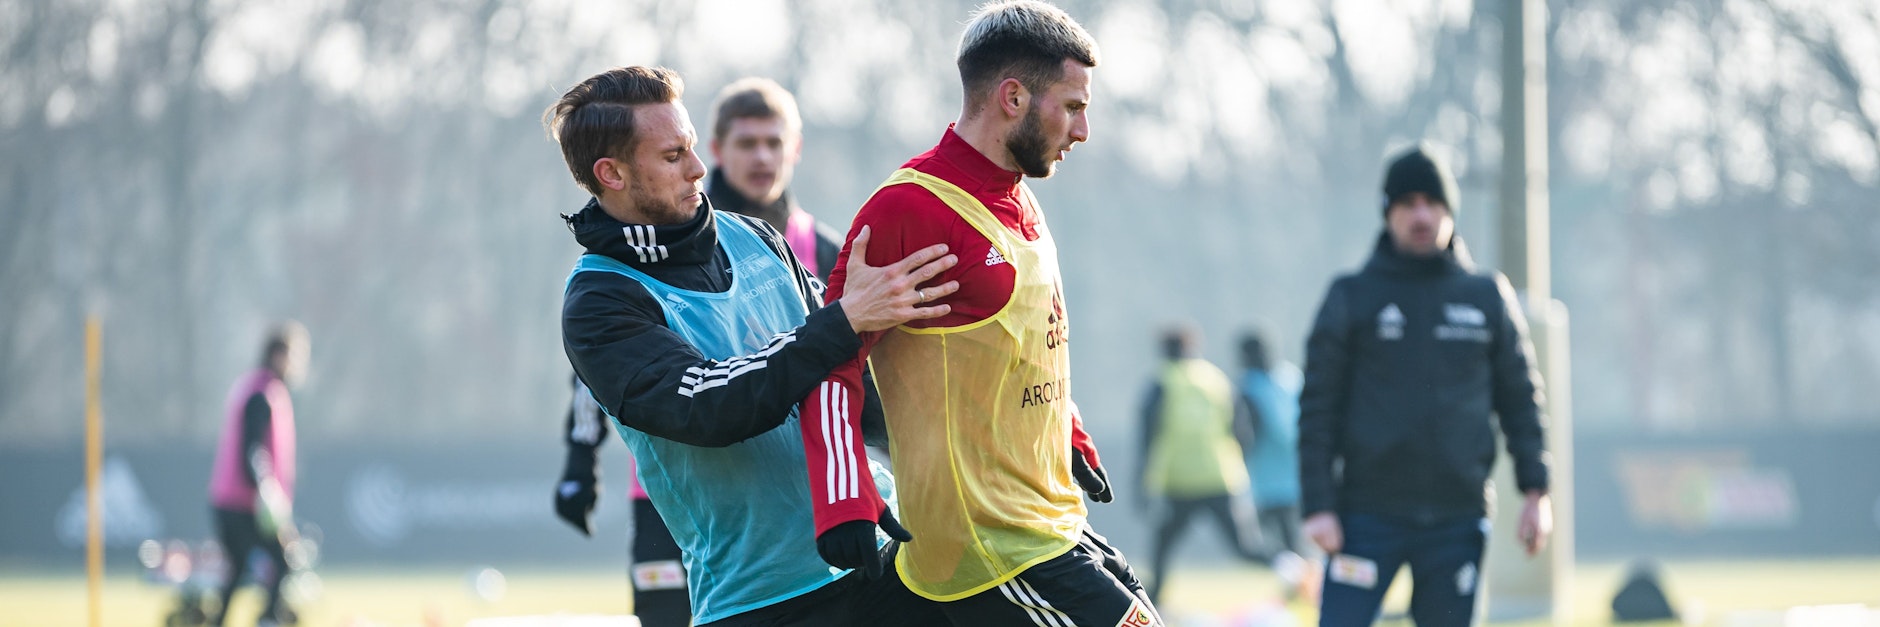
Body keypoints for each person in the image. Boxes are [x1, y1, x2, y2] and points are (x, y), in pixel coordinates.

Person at [549, 65, 958, 626]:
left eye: (692, 148)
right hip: (761, 600)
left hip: (880, 552)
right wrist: (841, 322)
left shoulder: (758, 238)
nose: (699, 168)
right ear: (611, 173)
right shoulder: (599, 299)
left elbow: (858, 375)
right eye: (673, 157)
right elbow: (710, 406)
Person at [797, 3, 1163, 625]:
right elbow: (831, 357)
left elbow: (1019, 343)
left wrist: (1065, 429)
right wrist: (842, 497)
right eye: (1073, 107)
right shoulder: (908, 210)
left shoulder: (1019, 196)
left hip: (1051, 524)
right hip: (993, 552)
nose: (1083, 130)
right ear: (1014, 97)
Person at [1298, 145, 1552, 626]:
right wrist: (1318, 506)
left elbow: (1521, 399)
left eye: (1432, 203)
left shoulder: (1485, 297)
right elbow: (1317, 407)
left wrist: (1537, 492)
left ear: (1449, 211)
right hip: (1366, 517)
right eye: (1407, 203)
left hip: (1457, 517)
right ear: (1387, 213)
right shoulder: (1351, 296)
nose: (1421, 215)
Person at [1137, 325, 1266, 605]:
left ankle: (1152, 604)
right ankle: (1296, 569)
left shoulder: (1161, 381)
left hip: (1180, 480)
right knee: (1246, 548)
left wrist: (1142, 484)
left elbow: (1147, 436)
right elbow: (1242, 431)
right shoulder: (1216, 380)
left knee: (1162, 545)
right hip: (1221, 477)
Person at [553, 376, 689, 627]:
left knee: (748, 610)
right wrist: (580, 459)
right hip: (658, 493)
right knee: (662, 613)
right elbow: (590, 361)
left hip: (745, 486)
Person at [205, 321, 309, 626]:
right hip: (245, 502)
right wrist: (267, 492)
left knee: (237, 570)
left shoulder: (252, 386)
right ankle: (267, 619)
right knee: (284, 561)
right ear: (278, 355)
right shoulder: (262, 394)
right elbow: (253, 449)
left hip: (228, 500)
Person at [705, 77, 843, 283]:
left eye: (774, 143)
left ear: (795, 148)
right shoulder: (688, 241)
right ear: (717, 151)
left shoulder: (827, 252)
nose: (762, 157)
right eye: (747, 144)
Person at [1237, 329, 1305, 558]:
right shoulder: (1292, 377)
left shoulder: (1248, 386)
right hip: (1297, 470)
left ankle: (1302, 579)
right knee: (1290, 535)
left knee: (1278, 537)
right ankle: (1302, 576)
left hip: (1268, 477)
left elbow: (1248, 431)